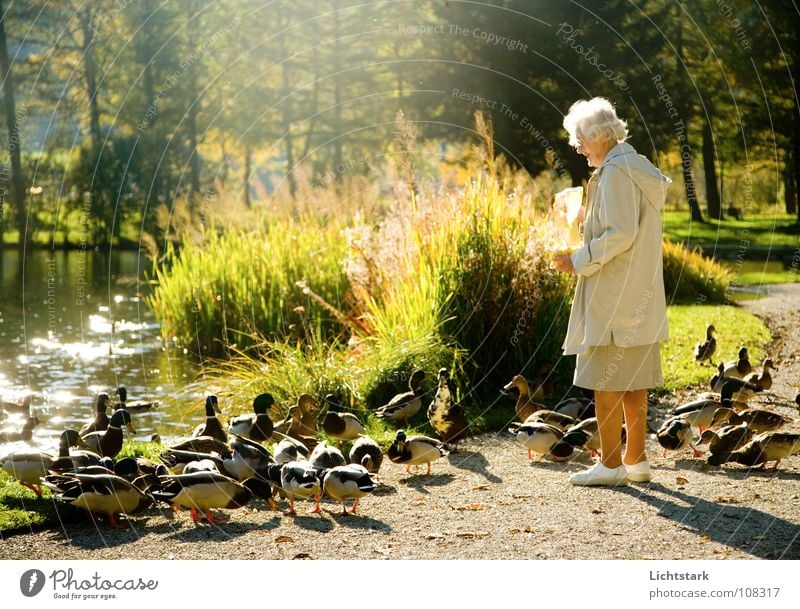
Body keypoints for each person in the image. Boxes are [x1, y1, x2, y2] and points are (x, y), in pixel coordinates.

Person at [553, 97, 670, 486]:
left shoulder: (617, 173)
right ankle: (636, 461)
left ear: (598, 136)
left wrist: (579, 258)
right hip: (636, 294)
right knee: (634, 382)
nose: (579, 148)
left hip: (615, 295)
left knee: (607, 382)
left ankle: (611, 465)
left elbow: (620, 233)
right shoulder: (633, 167)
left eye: (580, 140)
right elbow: (623, 226)